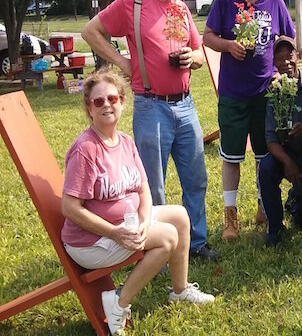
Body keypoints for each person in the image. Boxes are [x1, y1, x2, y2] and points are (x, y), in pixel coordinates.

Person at [81, 0, 217, 261]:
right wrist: (122, 63)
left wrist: (192, 58)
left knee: (195, 177)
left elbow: (200, 51)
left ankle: (195, 243)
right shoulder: (133, 3)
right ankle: (158, 245)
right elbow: (91, 31)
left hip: (185, 105)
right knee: (152, 184)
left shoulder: (180, 8)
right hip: (150, 105)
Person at [61, 69, 214, 335]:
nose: (107, 104)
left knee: (180, 215)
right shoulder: (85, 150)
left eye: (112, 98)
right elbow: (70, 208)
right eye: (98, 101)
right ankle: (119, 303)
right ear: (89, 109)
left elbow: (143, 187)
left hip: (124, 226)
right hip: (90, 241)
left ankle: (180, 290)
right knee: (167, 237)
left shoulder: (125, 142)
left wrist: (144, 222)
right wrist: (114, 232)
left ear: (121, 101)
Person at [203, 0, 295, 240]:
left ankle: (263, 206)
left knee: (263, 156)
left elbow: (290, 43)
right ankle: (231, 216)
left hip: (265, 93)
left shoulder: (275, 1)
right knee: (231, 157)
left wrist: (283, 71)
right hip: (233, 94)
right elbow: (207, 37)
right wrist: (229, 45)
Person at [258, 36, 302, 245]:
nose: (285, 63)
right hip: (285, 156)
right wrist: (287, 162)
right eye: (279, 59)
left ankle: (298, 199)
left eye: (289, 57)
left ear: (298, 56)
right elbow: (271, 139)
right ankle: (275, 228)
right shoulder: (274, 92)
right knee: (266, 168)